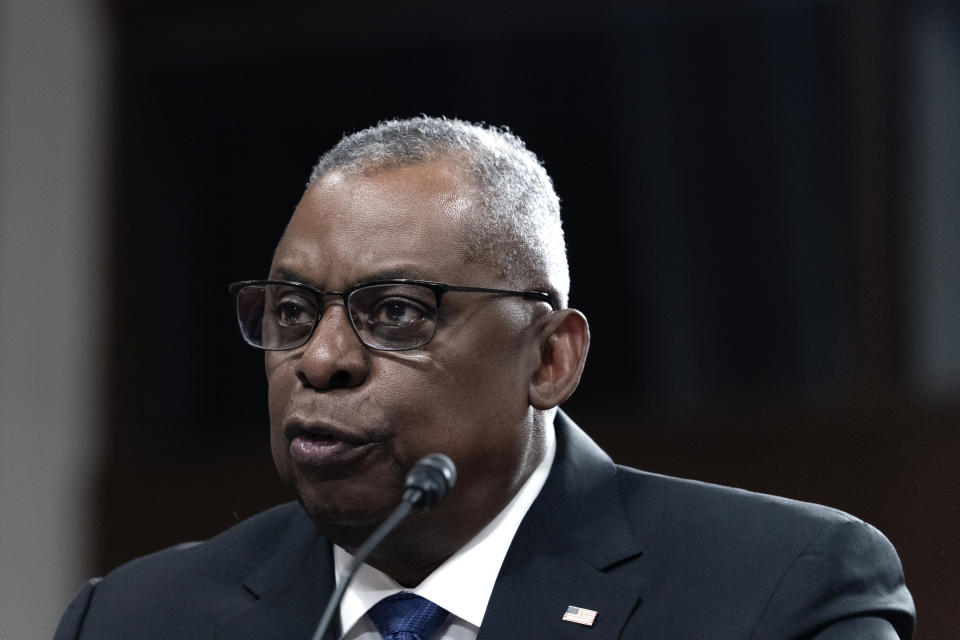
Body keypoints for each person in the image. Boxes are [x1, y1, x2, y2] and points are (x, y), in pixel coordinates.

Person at [54, 117, 915, 639]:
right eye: (290, 310)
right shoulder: (137, 619)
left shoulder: (775, 591)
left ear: (550, 359)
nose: (320, 359)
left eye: (395, 311)